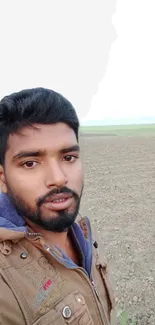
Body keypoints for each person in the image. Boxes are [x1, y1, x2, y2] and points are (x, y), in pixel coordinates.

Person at [0, 87, 115, 325]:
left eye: (68, 157)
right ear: (3, 178)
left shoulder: (83, 235)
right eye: (31, 163)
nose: (59, 178)